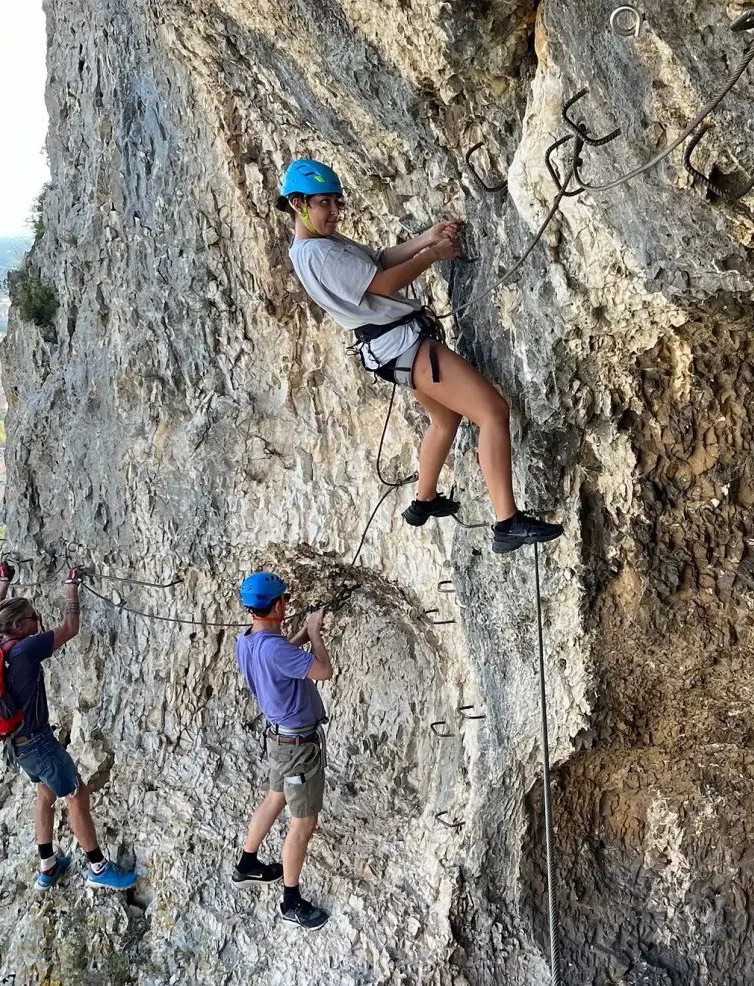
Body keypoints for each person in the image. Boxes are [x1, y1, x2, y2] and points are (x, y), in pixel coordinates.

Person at [278, 157, 564, 555]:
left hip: (390, 348)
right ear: (298, 204)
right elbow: (380, 283)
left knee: (444, 419)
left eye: (336, 202)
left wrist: (426, 238)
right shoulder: (318, 254)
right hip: (405, 345)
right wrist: (432, 256)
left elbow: (377, 260)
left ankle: (423, 501)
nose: (334, 211)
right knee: (492, 412)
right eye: (324, 203)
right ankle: (506, 522)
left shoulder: (321, 244)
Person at [0, 560, 136, 892]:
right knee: (76, 794)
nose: (38, 623)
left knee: (44, 792)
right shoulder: (26, 649)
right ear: (22, 626)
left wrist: (3, 582)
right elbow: (70, 627)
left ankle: (48, 866)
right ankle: (98, 867)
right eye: (35, 619)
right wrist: (72, 585)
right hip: (38, 743)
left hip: (16, 744)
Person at [231, 571, 331, 930]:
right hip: (298, 748)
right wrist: (316, 634)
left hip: (278, 738)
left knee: (275, 796)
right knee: (303, 822)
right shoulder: (275, 649)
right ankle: (291, 902)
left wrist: (305, 631)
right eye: (283, 600)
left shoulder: (247, 641)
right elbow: (323, 670)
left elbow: (282, 652)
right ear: (278, 605)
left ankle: (247, 865)